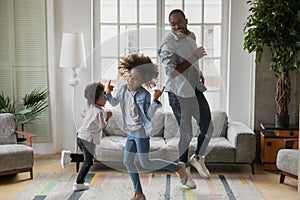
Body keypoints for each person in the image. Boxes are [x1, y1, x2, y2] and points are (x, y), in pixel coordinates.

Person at [104, 53, 188, 200]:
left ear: (143, 80)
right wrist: (108, 94)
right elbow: (115, 102)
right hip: (131, 132)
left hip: (141, 132)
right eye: (130, 75)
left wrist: (155, 100)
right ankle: (139, 193)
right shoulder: (123, 89)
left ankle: (178, 167)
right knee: (128, 161)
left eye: (135, 78)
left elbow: (148, 115)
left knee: (146, 163)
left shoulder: (144, 95)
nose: (130, 79)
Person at [158, 9, 214, 189]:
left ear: (186, 21)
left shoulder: (191, 35)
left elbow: (192, 63)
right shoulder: (168, 44)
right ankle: (182, 171)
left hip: (194, 88)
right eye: (172, 24)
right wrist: (193, 57)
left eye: (178, 22)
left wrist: (198, 73)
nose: (176, 27)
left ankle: (197, 157)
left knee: (208, 125)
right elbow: (172, 72)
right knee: (186, 132)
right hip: (178, 93)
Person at [71, 82, 112, 191]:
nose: (106, 99)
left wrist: (108, 91)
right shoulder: (99, 112)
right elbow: (102, 126)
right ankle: (78, 183)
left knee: (86, 159)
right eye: (103, 96)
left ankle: (69, 157)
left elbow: (83, 114)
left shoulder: (89, 106)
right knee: (89, 162)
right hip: (88, 140)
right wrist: (108, 117)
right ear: (96, 99)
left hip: (80, 136)